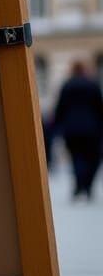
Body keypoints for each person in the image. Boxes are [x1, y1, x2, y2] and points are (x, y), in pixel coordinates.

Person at [53, 62, 103, 201]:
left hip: (71, 129)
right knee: (92, 158)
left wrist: (57, 128)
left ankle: (79, 186)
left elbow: (60, 108)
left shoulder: (67, 85)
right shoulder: (92, 85)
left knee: (76, 158)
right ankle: (86, 186)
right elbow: (99, 107)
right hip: (91, 129)